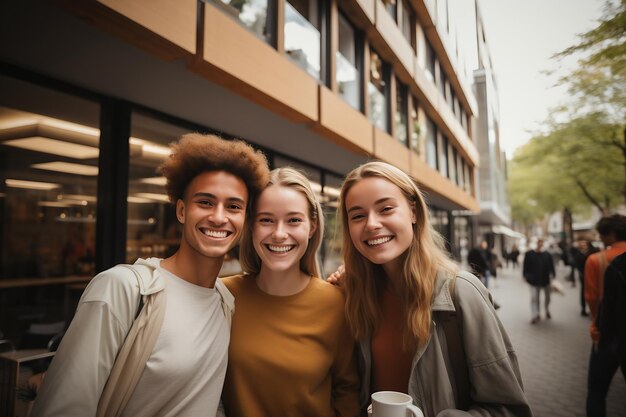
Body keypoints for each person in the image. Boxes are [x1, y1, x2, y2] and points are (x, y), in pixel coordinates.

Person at [31, 133, 270, 417]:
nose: (219, 217)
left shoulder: (225, 302)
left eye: (233, 206)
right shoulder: (122, 290)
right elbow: (63, 408)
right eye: (205, 202)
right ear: (182, 210)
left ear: (244, 219)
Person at [337, 161, 531, 416]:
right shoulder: (355, 296)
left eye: (385, 209)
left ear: (414, 212)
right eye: (358, 215)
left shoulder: (461, 292)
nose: (371, 224)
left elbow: (509, 409)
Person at [220, 167, 360, 417]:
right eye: (266, 220)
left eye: (294, 220)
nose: (279, 234)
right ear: (251, 226)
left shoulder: (336, 302)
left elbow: (347, 392)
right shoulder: (223, 296)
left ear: (312, 226)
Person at [585, 214, 626, 417]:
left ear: (611, 233)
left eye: (602, 234)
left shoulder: (596, 260)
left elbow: (592, 298)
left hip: (606, 334)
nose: (600, 238)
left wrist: (596, 324)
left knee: (597, 391)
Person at [592, 252, 626, 413]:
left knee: (596, 392)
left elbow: (606, 308)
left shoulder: (617, 265)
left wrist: (598, 331)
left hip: (614, 338)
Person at [522, 239, 555, 324]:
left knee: (548, 297)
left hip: (546, 280)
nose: (540, 245)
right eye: (538, 243)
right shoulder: (529, 254)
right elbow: (525, 266)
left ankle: (547, 310)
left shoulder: (547, 255)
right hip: (533, 281)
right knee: (534, 298)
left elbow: (552, 267)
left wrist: (553, 276)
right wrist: (525, 276)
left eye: (541, 243)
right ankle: (535, 314)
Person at [570, 239, 599, 316]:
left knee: (592, 290)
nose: (584, 245)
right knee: (583, 292)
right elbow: (577, 265)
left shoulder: (591, 252)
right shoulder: (578, 254)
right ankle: (583, 308)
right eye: (582, 244)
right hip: (583, 275)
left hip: (591, 274)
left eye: (585, 244)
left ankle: (592, 308)